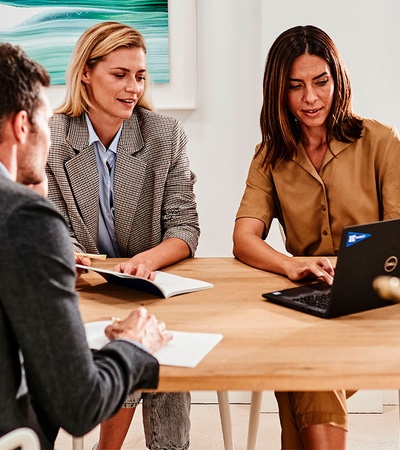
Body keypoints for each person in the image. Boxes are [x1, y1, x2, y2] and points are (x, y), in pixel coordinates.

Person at [233, 25, 400, 449]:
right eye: (296, 86)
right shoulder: (270, 155)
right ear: (279, 92)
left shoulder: (381, 143)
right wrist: (290, 265)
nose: (310, 98)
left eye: (321, 82)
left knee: (305, 373)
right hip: (307, 305)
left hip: (373, 305)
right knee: (306, 366)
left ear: (337, 79)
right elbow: (244, 237)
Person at [0, 42, 172, 450]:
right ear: (22, 126)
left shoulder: (162, 134)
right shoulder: (25, 219)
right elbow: (79, 405)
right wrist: (133, 344)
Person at [46, 22, 200, 450]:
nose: (133, 87)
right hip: (85, 288)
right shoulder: (54, 138)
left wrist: (146, 263)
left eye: (140, 76)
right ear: (85, 74)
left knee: (158, 331)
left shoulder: (164, 135)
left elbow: (185, 228)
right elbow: (53, 229)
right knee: (137, 334)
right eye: (120, 75)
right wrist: (75, 259)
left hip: (151, 282)